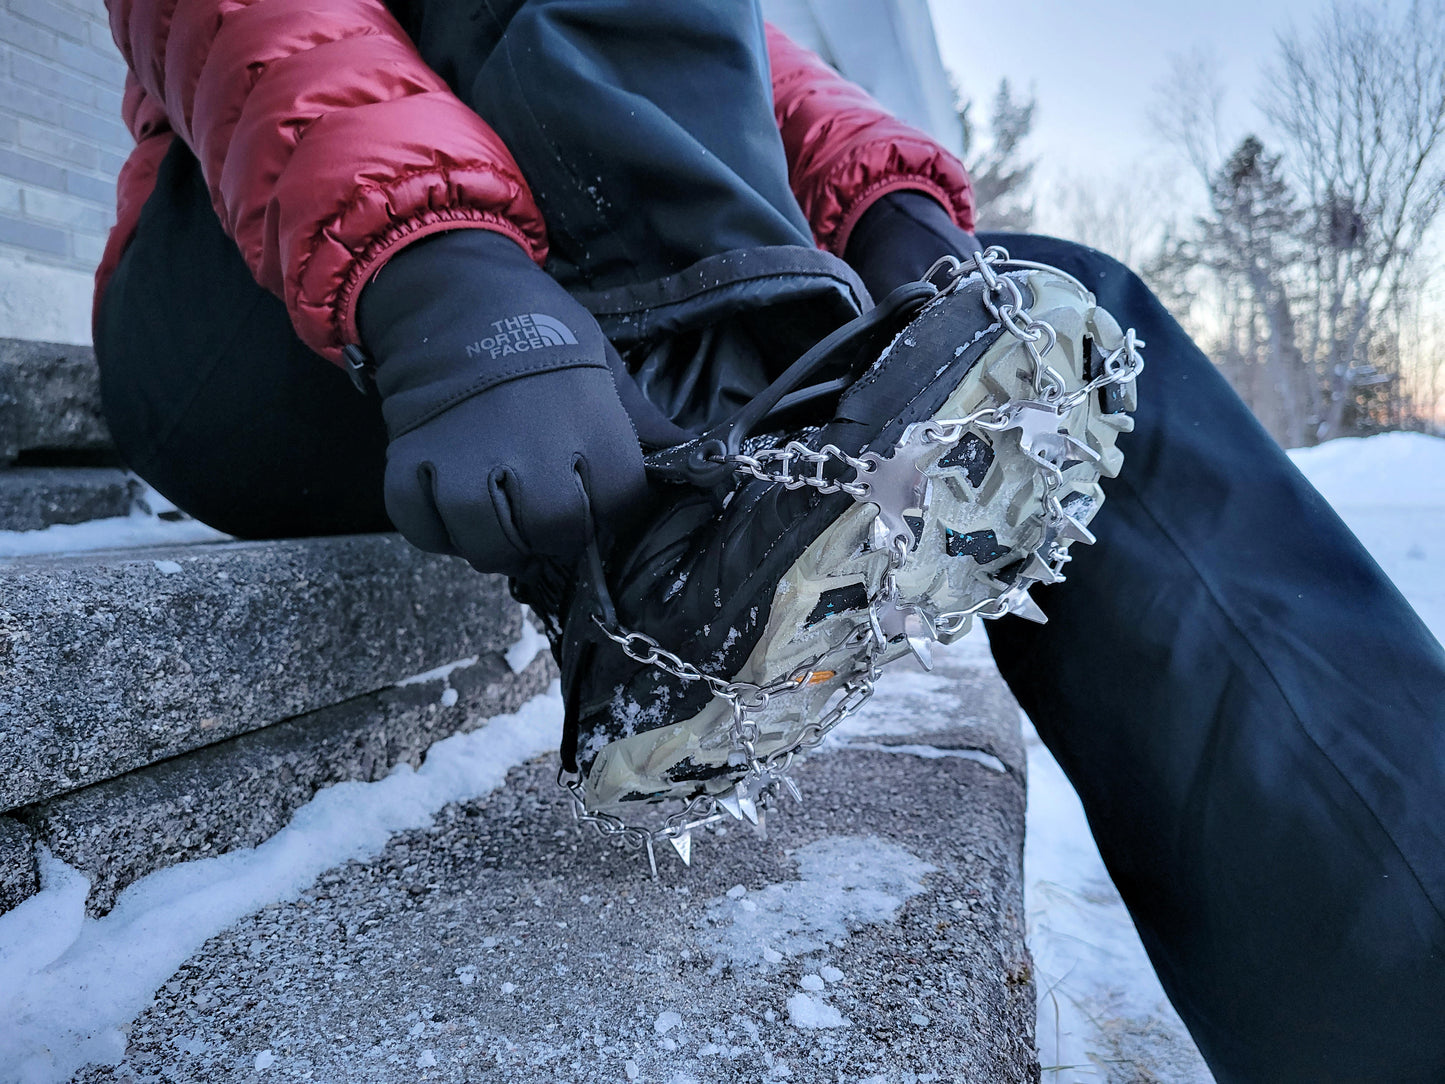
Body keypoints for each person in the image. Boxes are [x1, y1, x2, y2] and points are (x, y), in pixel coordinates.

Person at [92, 1, 1444, 1080]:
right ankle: (667, 564)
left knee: (1060, 323)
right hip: (271, 302)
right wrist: (435, 264)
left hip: (573, 309)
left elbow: (732, 65)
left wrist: (898, 217)